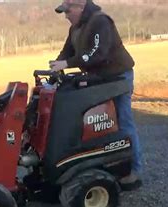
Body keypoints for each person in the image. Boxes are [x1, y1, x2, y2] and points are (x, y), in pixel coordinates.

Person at [50, 0, 143, 191]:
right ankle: (106, 163)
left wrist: (68, 64)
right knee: (98, 124)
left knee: (123, 122)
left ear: (80, 7)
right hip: (100, 78)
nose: (66, 16)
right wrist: (56, 66)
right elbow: (67, 51)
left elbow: (97, 53)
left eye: (67, 11)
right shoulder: (76, 27)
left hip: (118, 77)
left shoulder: (100, 21)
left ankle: (134, 171)